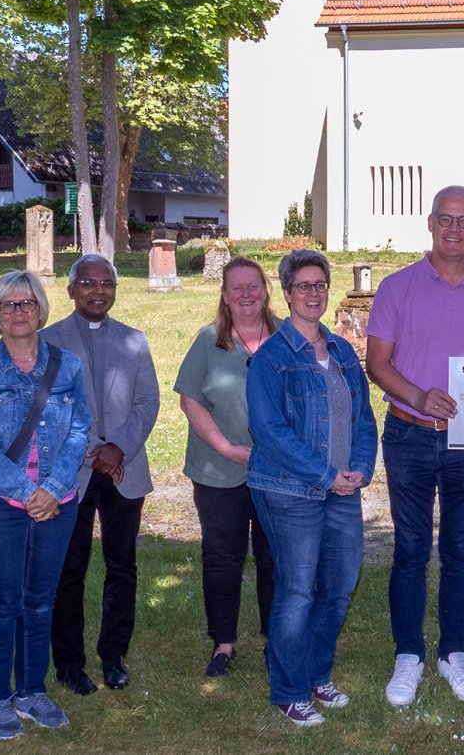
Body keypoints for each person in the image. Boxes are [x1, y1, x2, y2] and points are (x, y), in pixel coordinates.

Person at [366, 185, 464, 706]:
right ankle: (408, 654)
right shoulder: (396, 286)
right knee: (410, 549)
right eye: (445, 220)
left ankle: (454, 653)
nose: (454, 229)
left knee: (461, 550)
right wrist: (419, 396)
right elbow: (378, 364)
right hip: (409, 433)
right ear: (430, 223)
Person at [247, 249, 378, 727]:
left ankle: (316, 673)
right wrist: (326, 475)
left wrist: (360, 468)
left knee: (339, 587)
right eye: (303, 286)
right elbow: (268, 430)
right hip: (289, 490)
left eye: (320, 284)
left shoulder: (343, 351)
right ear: (286, 294)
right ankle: (288, 690)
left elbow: (363, 417)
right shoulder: (272, 357)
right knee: (298, 591)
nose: (313, 293)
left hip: (344, 488)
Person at [0, 270, 93, 740]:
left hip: (59, 502)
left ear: (41, 308)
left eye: (26, 303)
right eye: (6, 304)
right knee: (1, 602)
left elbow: (80, 431)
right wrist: (27, 492)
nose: (17, 311)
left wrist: (54, 488)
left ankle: (32, 690)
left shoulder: (69, 367)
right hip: (0, 503)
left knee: (40, 601)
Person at [44, 254, 160, 695]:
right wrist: (95, 449)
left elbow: (147, 403)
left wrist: (118, 447)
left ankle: (113, 655)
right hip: (70, 473)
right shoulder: (48, 341)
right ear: (71, 289)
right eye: (88, 282)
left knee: (122, 564)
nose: (98, 291)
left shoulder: (135, 341)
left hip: (123, 470)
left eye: (106, 283)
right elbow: (50, 409)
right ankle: (70, 663)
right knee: (69, 567)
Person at [175, 257, 279, 678]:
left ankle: (278, 638)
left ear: (266, 289)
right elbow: (190, 400)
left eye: (253, 286)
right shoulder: (207, 341)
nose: (246, 294)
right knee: (222, 555)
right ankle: (223, 643)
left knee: (276, 555)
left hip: (278, 472)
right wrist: (227, 447)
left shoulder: (287, 339)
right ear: (224, 295)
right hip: (219, 469)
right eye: (236, 288)